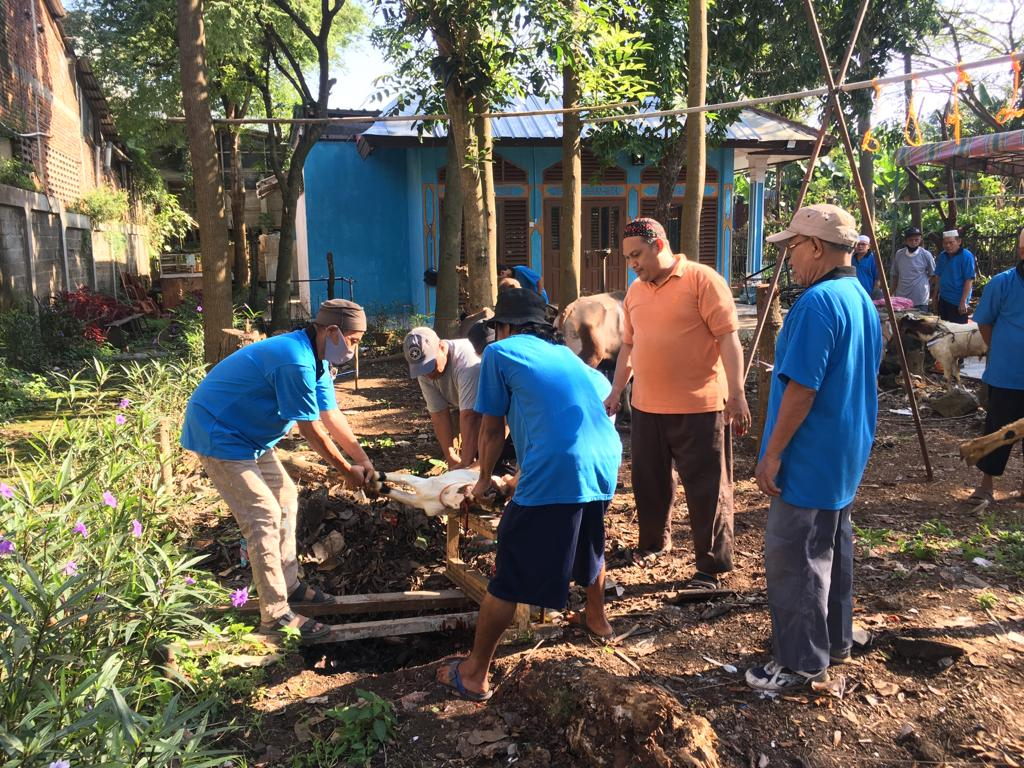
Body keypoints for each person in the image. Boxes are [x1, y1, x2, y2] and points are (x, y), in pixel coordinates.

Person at [436, 288, 622, 701]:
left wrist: (483, 479)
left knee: (509, 571)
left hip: (561, 466)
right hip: (604, 460)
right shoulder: (566, 360)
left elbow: (489, 428)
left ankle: (473, 674)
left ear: (503, 327)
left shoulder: (500, 355)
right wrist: (519, 475)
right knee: (589, 539)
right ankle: (597, 621)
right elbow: (572, 414)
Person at [181, 299, 375, 643]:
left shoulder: (317, 362)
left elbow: (331, 415)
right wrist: (346, 469)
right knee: (264, 517)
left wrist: (364, 461)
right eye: (354, 340)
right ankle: (275, 616)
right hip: (219, 434)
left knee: (286, 498)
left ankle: (289, 585)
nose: (354, 348)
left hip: (250, 437)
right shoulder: (295, 361)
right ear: (331, 332)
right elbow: (310, 428)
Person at [746, 204, 882, 691]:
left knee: (796, 556)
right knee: (831, 544)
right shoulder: (859, 297)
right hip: (845, 447)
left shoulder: (817, 304)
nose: (790, 258)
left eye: (793, 247)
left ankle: (802, 661)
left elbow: (803, 388)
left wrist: (773, 452)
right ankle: (835, 640)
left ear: (818, 247)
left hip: (809, 451)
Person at [604, 217, 750, 591]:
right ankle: (654, 543)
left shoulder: (702, 280)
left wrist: (737, 394)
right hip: (647, 407)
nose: (633, 263)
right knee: (648, 483)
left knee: (708, 488)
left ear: (659, 244)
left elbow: (728, 340)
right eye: (628, 258)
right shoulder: (635, 292)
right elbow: (629, 347)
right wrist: (617, 390)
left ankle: (712, 565)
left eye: (637, 255)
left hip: (700, 406)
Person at [969, 229, 1024, 503]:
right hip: (1007, 374)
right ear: (1021, 251)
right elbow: (985, 322)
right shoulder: (1002, 283)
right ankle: (986, 485)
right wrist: (1001, 350)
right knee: (997, 429)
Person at [403, 327, 482, 469]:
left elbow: (471, 417)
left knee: (493, 468)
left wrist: (465, 463)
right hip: (468, 408)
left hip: (502, 412)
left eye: (430, 366)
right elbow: (439, 414)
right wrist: (451, 457)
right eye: (422, 369)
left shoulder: (467, 361)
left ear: (441, 347)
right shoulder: (423, 370)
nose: (428, 374)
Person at [933, 228, 976, 324]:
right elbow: (938, 276)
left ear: (959, 241)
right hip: (943, 299)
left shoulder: (966, 256)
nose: (948, 246)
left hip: (957, 301)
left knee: (957, 333)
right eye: (945, 243)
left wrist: (963, 301)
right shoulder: (942, 256)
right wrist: (935, 296)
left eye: (951, 243)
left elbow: (969, 280)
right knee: (943, 330)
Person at [891, 226, 935, 311]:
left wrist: (923, 283)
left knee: (920, 323)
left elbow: (933, 275)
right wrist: (891, 293)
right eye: (911, 240)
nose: (914, 242)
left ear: (920, 240)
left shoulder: (926, 255)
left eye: (916, 240)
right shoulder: (899, 254)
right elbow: (895, 275)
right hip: (901, 298)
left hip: (920, 299)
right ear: (906, 241)